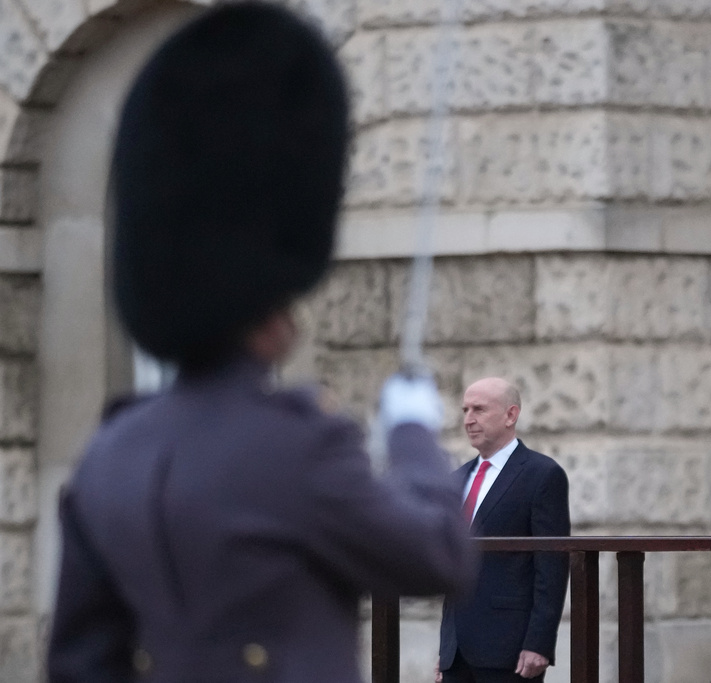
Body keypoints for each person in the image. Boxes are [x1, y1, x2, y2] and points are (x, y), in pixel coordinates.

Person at [47, 3, 475, 682]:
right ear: (263, 307)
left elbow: (80, 662)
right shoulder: (297, 444)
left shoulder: (108, 455)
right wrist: (414, 433)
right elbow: (439, 554)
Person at [437, 378, 570, 682]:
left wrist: (539, 644)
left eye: (479, 410)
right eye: (465, 410)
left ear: (511, 415)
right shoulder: (458, 478)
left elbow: (551, 567)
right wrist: (445, 651)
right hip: (457, 654)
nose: (468, 419)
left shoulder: (542, 475)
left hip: (509, 652)